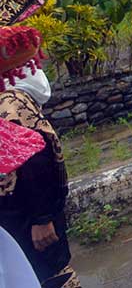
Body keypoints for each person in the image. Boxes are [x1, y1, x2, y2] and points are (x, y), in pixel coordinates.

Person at [0, 26, 79, 288]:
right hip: (17, 213)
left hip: (24, 213)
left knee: (48, 275)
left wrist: (41, 218)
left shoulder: (8, 104)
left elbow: (33, 160)